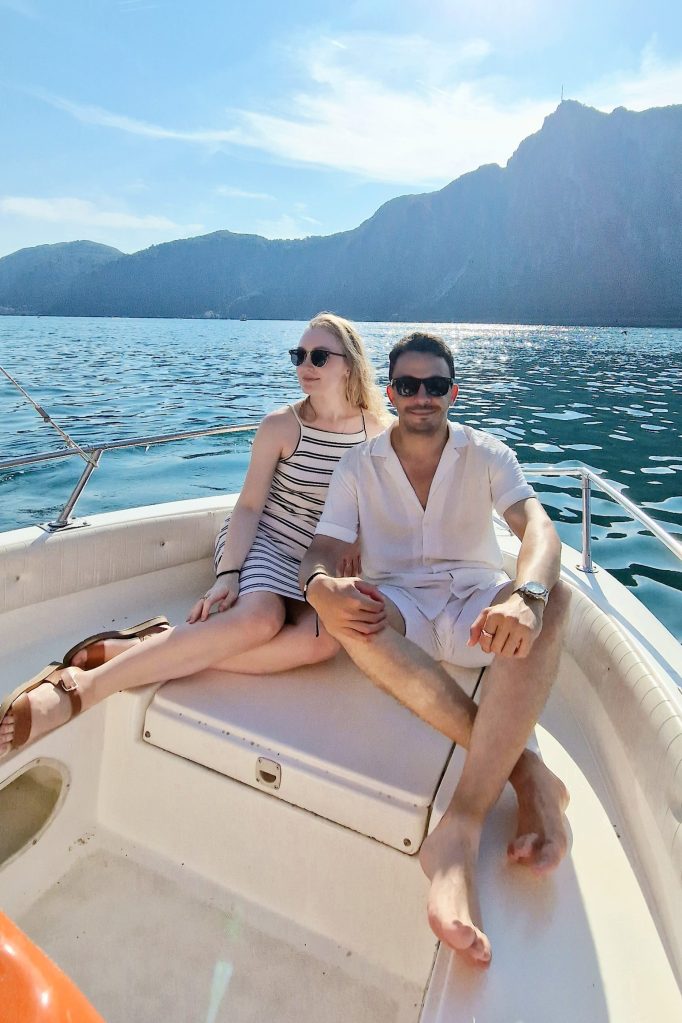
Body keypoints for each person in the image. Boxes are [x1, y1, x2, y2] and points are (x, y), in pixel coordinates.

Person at [299, 330, 571, 968]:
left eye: (436, 385)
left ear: (454, 390)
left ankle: (462, 823)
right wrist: (318, 588)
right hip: (405, 607)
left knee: (556, 599)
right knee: (350, 617)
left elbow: (538, 527)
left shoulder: (486, 453)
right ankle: (527, 774)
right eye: (408, 385)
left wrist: (524, 596)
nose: (422, 397)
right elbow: (320, 548)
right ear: (389, 392)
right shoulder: (357, 466)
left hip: (480, 607)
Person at [0, 313, 388, 758]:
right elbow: (248, 507)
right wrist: (229, 574)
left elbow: (376, 506)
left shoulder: (376, 434)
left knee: (324, 644)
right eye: (298, 355)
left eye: (319, 356)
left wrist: (357, 541)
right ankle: (86, 688)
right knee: (260, 622)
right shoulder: (282, 426)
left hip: (317, 562)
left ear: (350, 365)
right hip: (264, 541)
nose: (305, 365)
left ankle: (145, 646)